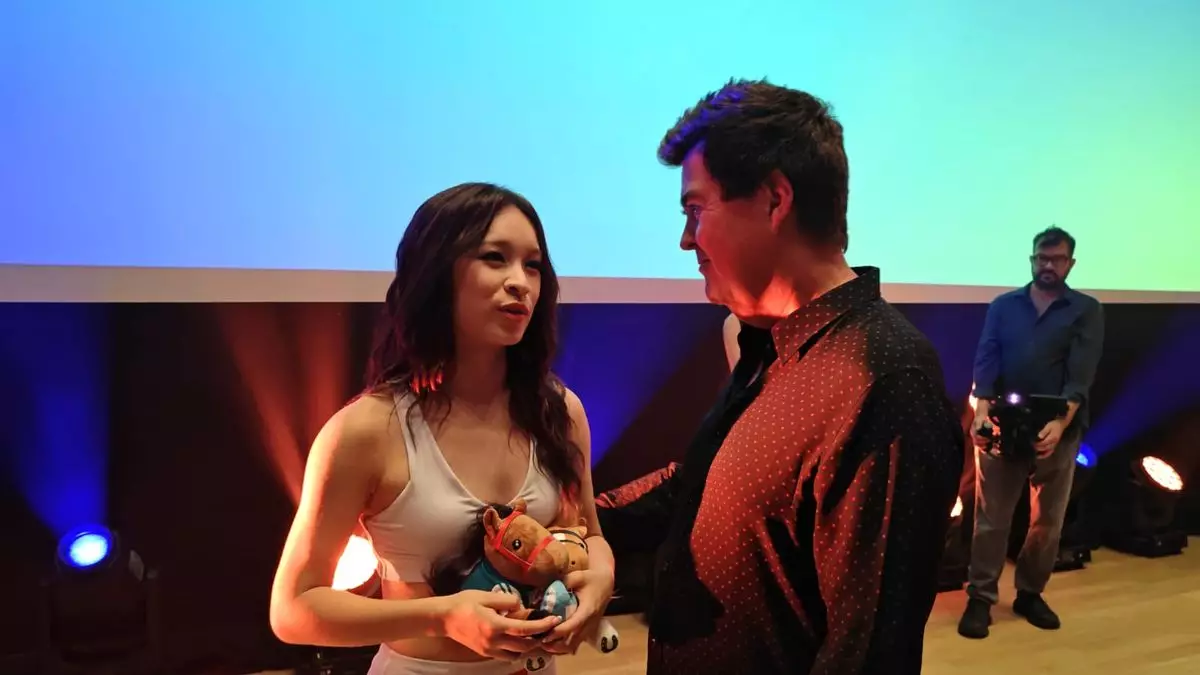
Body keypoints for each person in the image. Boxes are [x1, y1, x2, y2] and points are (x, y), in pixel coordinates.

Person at [596, 79, 964, 674]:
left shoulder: (885, 381)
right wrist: (576, 522)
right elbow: (703, 485)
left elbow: (867, 654)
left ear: (774, 200)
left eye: (696, 210)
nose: (686, 239)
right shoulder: (768, 342)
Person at [269, 183, 615, 675]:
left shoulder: (559, 411)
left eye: (533, 265)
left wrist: (600, 580)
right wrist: (443, 617)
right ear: (436, 269)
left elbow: (590, 535)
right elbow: (293, 609)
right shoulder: (367, 430)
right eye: (495, 258)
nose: (521, 282)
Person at [958, 226, 1104, 639]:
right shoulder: (1003, 306)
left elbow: (1080, 375)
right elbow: (986, 360)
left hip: (1058, 429)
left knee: (1047, 521)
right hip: (1003, 424)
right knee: (991, 519)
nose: (1048, 265)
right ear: (1032, 260)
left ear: (1070, 264)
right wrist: (981, 413)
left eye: (1057, 259)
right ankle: (980, 597)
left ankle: (1029, 593)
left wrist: (1061, 423)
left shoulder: (1086, 310)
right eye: (1042, 258)